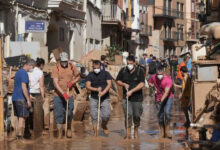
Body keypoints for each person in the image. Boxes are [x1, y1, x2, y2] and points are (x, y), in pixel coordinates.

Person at [52, 52, 80, 139]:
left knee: (69, 112)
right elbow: (55, 83)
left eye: (65, 61)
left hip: (70, 94)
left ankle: (68, 128)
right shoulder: (56, 68)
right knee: (58, 113)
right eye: (63, 61)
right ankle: (60, 133)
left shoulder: (72, 66)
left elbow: (78, 76)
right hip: (58, 95)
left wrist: (72, 82)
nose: (64, 63)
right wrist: (63, 93)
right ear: (60, 60)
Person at [116, 55, 145, 139]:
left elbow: (142, 84)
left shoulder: (140, 71)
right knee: (128, 114)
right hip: (126, 98)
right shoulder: (123, 70)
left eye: (131, 63)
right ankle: (128, 133)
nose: (129, 65)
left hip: (137, 98)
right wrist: (123, 84)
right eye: (128, 63)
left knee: (136, 115)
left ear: (134, 63)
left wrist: (132, 91)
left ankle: (135, 130)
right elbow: (118, 80)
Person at [86, 60, 112, 137]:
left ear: (100, 66)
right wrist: (96, 90)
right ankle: (95, 133)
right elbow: (88, 86)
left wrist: (103, 92)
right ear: (93, 66)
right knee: (94, 115)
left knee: (106, 115)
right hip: (94, 97)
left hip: (105, 97)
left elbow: (109, 84)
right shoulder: (90, 75)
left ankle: (104, 125)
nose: (96, 69)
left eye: (98, 67)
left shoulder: (106, 73)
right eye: (95, 67)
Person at [12, 58, 36, 140]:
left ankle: (17, 137)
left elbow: (19, 86)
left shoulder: (18, 72)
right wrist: (28, 100)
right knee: (22, 118)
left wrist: (29, 96)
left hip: (15, 98)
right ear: (29, 65)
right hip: (21, 98)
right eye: (32, 67)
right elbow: (23, 87)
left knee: (18, 117)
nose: (32, 69)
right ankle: (20, 138)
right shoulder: (24, 73)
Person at [148, 66, 173, 139]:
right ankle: (162, 130)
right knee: (160, 115)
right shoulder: (153, 77)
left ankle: (167, 130)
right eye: (157, 74)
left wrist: (160, 101)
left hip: (168, 97)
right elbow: (149, 82)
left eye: (160, 74)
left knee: (167, 113)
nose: (159, 76)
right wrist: (152, 86)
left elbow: (166, 92)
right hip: (158, 97)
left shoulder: (168, 80)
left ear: (163, 72)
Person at [24, 58, 45, 138]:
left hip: (28, 93)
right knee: (38, 113)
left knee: (28, 112)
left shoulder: (29, 71)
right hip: (37, 94)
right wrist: (43, 97)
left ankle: (27, 131)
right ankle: (38, 132)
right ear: (41, 65)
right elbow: (41, 86)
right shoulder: (40, 72)